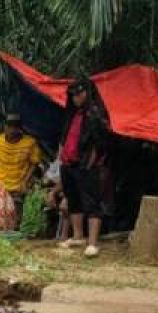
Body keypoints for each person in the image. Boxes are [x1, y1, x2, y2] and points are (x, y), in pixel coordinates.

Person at [58, 79, 112, 258]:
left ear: (87, 93)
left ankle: (93, 243)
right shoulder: (71, 113)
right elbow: (65, 137)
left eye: (79, 93)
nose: (75, 98)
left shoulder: (96, 114)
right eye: (73, 94)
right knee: (74, 200)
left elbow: (101, 142)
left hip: (86, 165)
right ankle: (78, 236)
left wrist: (91, 162)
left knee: (92, 202)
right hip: (68, 163)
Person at [0, 112, 44, 221]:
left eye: (15, 127)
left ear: (20, 128)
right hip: (0, 183)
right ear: (5, 127)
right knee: (0, 214)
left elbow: (34, 163)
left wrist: (26, 181)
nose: (12, 130)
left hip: (19, 184)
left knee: (16, 215)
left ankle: (15, 232)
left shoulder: (30, 142)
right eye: (10, 126)